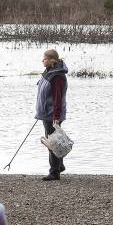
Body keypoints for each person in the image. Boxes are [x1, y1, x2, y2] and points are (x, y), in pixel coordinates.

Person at [35, 48, 69, 181]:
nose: (42, 61)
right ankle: (59, 165)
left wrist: (56, 116)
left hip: (52, 114)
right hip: (46, 113)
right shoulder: (49, 71)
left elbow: (57, 98)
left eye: (44, 58)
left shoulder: (57, 76)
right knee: (54, 139)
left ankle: (54, 172)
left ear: (51, 60)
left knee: (52, 142)